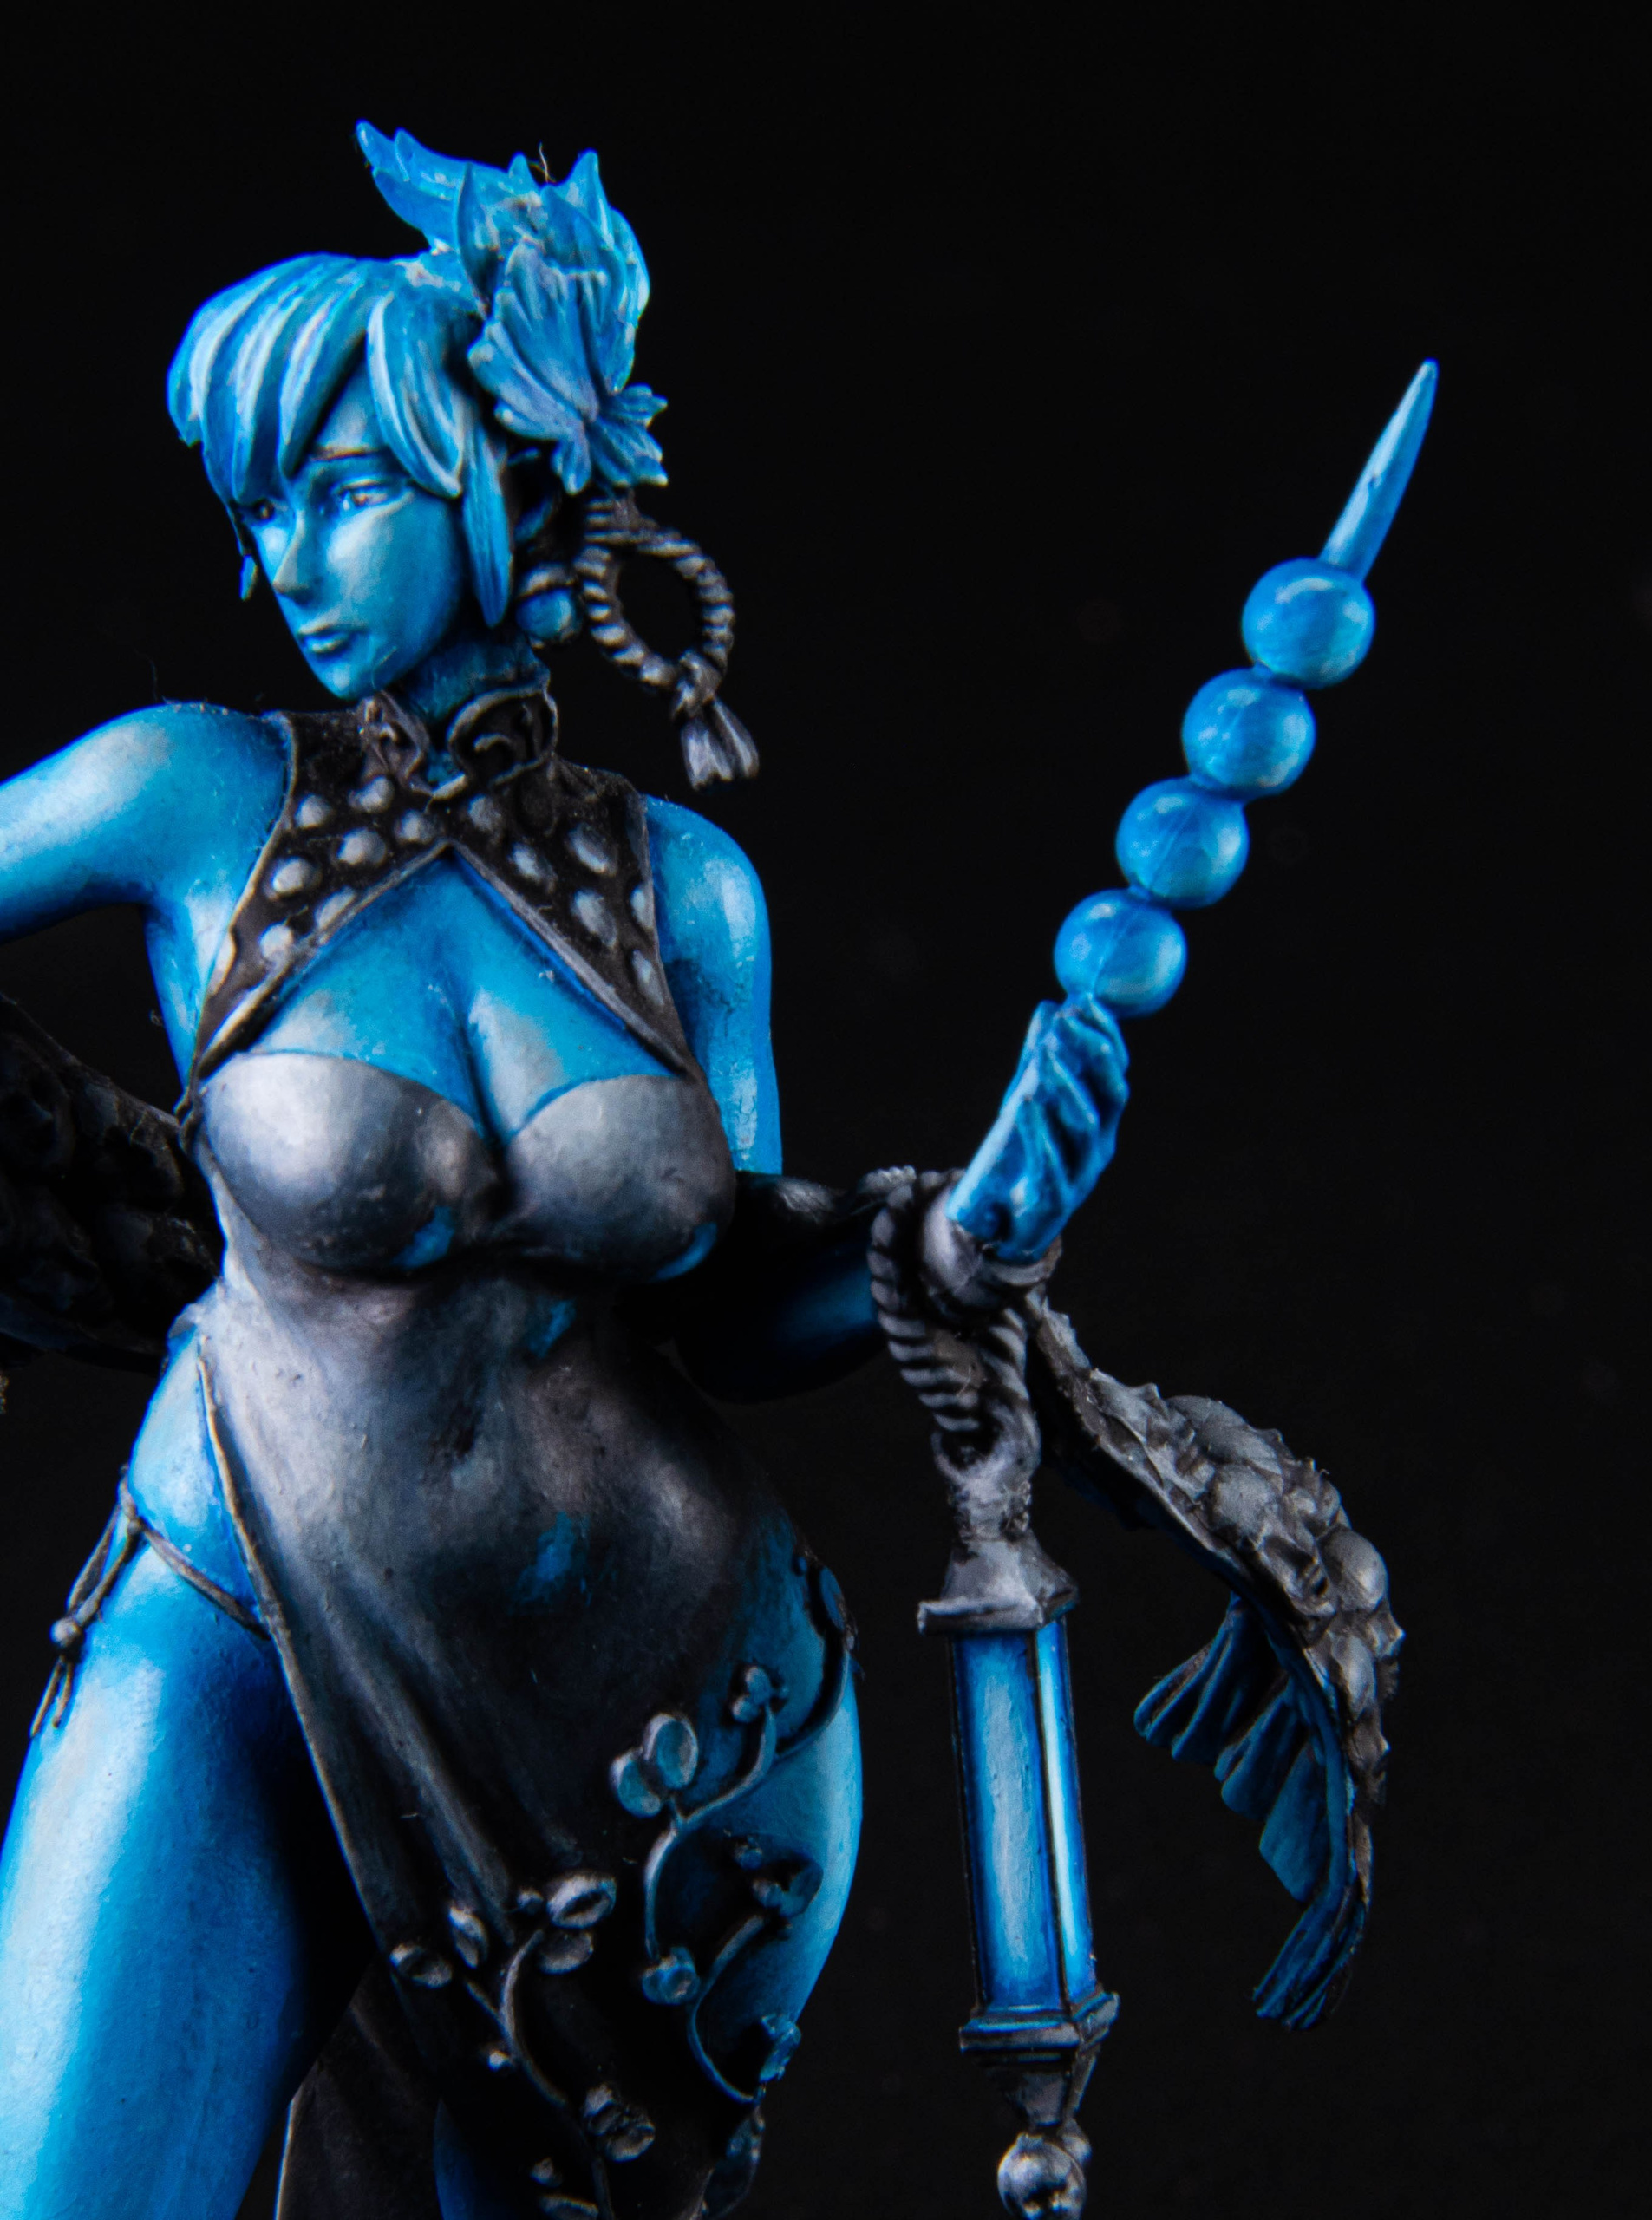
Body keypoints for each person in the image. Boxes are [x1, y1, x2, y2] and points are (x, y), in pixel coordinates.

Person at [0, 127, 1134, 2220]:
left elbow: (731, 1299)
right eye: (261, 505)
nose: (290, 559)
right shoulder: (194, 797)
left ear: (492, 478)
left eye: (347, 487)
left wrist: (962, 1223)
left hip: (653, 1734)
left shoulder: (678, 886)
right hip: (239, 1610)